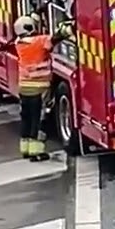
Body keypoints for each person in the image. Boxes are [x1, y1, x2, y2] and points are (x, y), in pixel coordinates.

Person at [14, 14, 72, 162]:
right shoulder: (39, 42)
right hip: (38, 88)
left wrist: (35, 14)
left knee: (26, 118)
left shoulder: (18, 43)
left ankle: (25, 148)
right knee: (37, 120)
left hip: (24, 88)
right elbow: (55, 38)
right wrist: (68, 28)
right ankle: (36, 152)